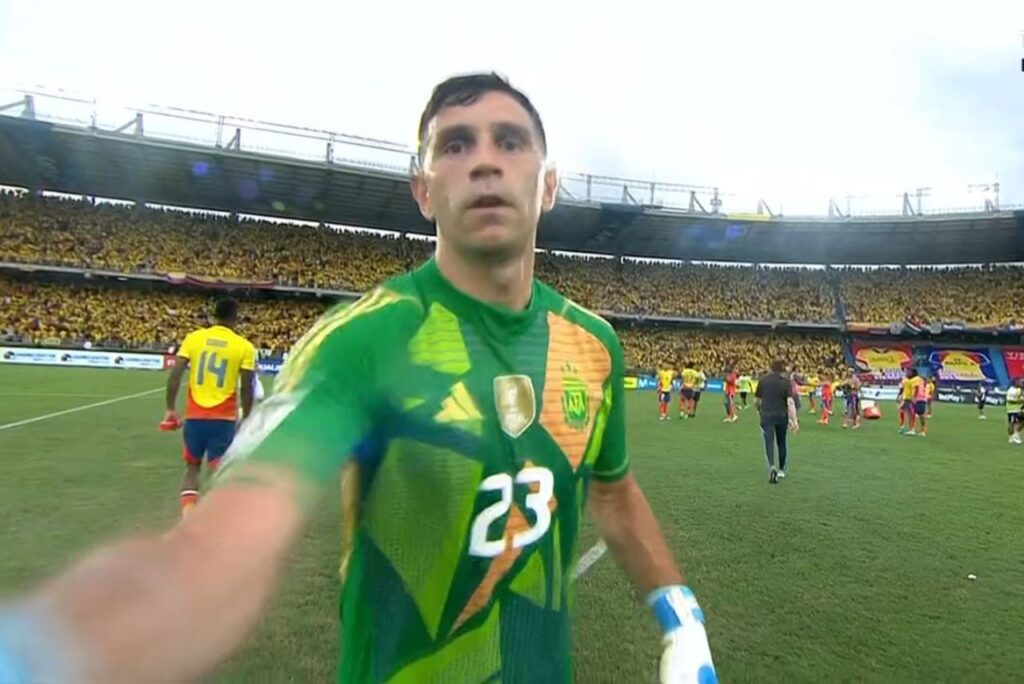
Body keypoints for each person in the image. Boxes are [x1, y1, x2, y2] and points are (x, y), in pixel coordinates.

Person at [0, 74, 716, 684]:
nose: (485, 162)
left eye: (511, 141)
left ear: (549, 184)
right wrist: (43, 651)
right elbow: (220, 551)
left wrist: (680, 614)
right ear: (422, 188)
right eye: (456, 144)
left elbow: (614, 492)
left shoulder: (592, 344)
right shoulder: (361, 342)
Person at [162, 297, 257, 516]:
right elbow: (246, 386)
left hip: (194, 417)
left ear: (214, 315)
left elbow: (176, 373)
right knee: (222, 470)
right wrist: (249, 416)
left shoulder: (194, 338)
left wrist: (170, 408)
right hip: (223, 419)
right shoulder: (244, 347)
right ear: (236, 318)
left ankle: (188, 517)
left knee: (192, 467)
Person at [755, 358, 800, 484]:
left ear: (771, 368)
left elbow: (756, 401)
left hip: (767, 416)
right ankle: (781, 470)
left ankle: (771, 466)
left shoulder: (763, 381)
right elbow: (790, 402)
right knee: (782, 442)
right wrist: (794, 420)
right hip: (781, 416)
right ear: (782, 369)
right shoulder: (785, 383)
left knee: (768, 443)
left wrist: (759, 411)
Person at [1006, 378, 1022, 444]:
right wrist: (1019, 401)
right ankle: (1011, 437)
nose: (1020, 383)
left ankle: (1016, 434)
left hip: (1019, 409)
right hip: (1012, 410)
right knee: (1012, 423)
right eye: (1019, 382)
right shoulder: (1011, 390)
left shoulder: (1019, 389)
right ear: (1015, 383)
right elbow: (1009, 400)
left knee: (1020, 421)